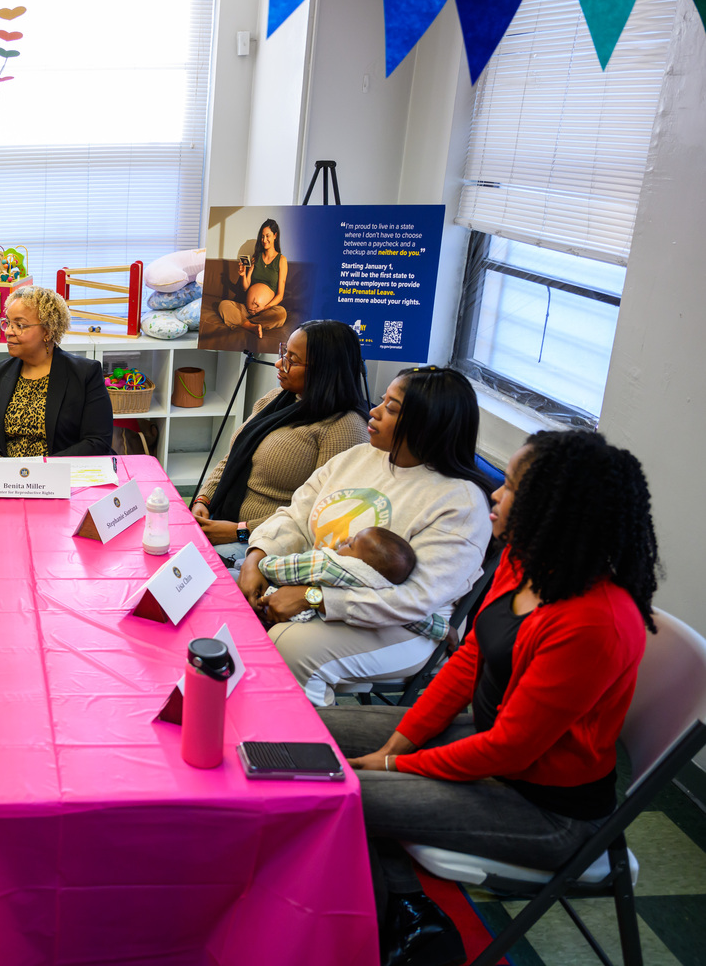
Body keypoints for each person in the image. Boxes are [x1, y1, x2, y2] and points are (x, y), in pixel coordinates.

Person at [321, 430, 658, 966]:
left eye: (514, 487)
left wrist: (391, 764)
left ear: (557, 506)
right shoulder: (529, 562)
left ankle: (400, 923)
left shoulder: (595, 622)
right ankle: (409, 908)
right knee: (314, 730)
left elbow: (509, 752)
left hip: (546, 809)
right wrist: (399, 742)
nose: (496, 493)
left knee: (341, 794)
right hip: (492, 741)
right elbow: (468, 662)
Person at [240, 367, 492, 704]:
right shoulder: (358, 457)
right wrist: (255, 558)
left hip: (403, 629)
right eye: (383, 400)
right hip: (323, 594)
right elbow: (296, 515)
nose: (373, 411)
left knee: (291, 647)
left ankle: (305, 749)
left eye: (391, 408)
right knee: (228, 604)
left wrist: (313, 597)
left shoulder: (459, 502)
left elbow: (413, 600)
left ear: (426, 423)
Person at [191, 320, 369, 563]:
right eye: (284, 353)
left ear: (325, 369)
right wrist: (204, 499)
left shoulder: (343, 428)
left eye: (292, 361)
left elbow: (319, 515)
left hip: (270, 544)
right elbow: (233, 457)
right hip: (224, 525)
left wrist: (240, 530)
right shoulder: (276, 399)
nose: (279, 363)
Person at [0, 285, 113, 458]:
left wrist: (43, 470)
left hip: (61, 475)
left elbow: (97, 442)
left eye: (19, 325)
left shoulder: (85, 374)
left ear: (47, 331)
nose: (9, 332)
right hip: (7, 477)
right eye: (7, 323)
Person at [258, 527, 447, 640]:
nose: (347, 539)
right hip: (328, 625)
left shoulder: (325, 564)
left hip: (276, 609)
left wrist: (260, 563)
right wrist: (446, 631)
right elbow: (414, 619)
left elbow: (278, 569)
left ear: (359, 563)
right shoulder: (382, 586)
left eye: (352, 544)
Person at [221, 219, 288, 338]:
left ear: (275, 236)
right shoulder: (256, 257)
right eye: (262, 237)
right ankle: (250, 326)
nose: (264, 240)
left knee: (281, 314)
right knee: (224, 305)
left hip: (265, 310)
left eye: (267, 236)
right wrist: (243, 275)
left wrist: (264, 307)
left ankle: (242, 322)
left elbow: (280, 295)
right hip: (247, 309)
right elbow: (246, 287)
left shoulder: (281, 260)